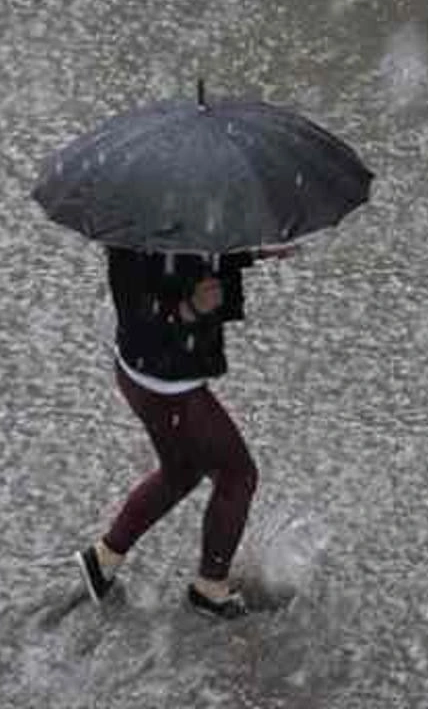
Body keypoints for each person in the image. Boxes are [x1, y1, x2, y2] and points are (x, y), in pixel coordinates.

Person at [75, 242, 298, 619]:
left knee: (181, 472)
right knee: (237, 475)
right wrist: (190, 309)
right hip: (166, 385)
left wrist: (254, 252)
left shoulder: (176, 219)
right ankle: (210, 587)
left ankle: (105, 558)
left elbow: (197, 255)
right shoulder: (137, 239)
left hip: (150, 375)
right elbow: (142, 317)